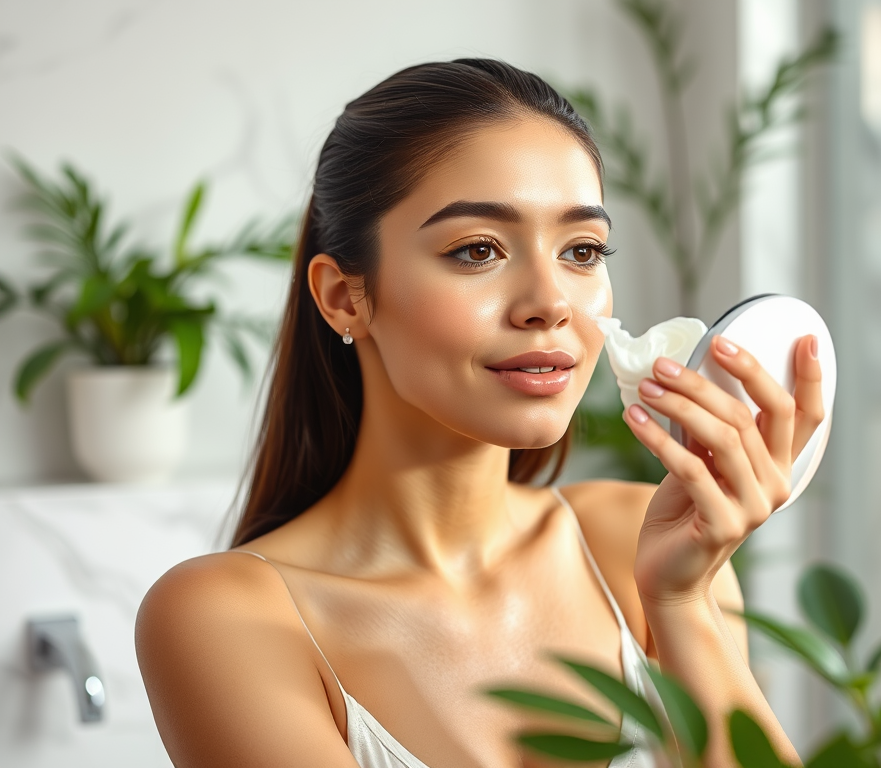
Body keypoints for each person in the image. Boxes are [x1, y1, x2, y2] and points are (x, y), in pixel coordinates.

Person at [135, 59, 823, 768]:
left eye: (582, 250)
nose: (550, 302)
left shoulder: (635, 546)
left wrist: (681, 604)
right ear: (345, 297)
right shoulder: (226, 617)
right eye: (477, 250)